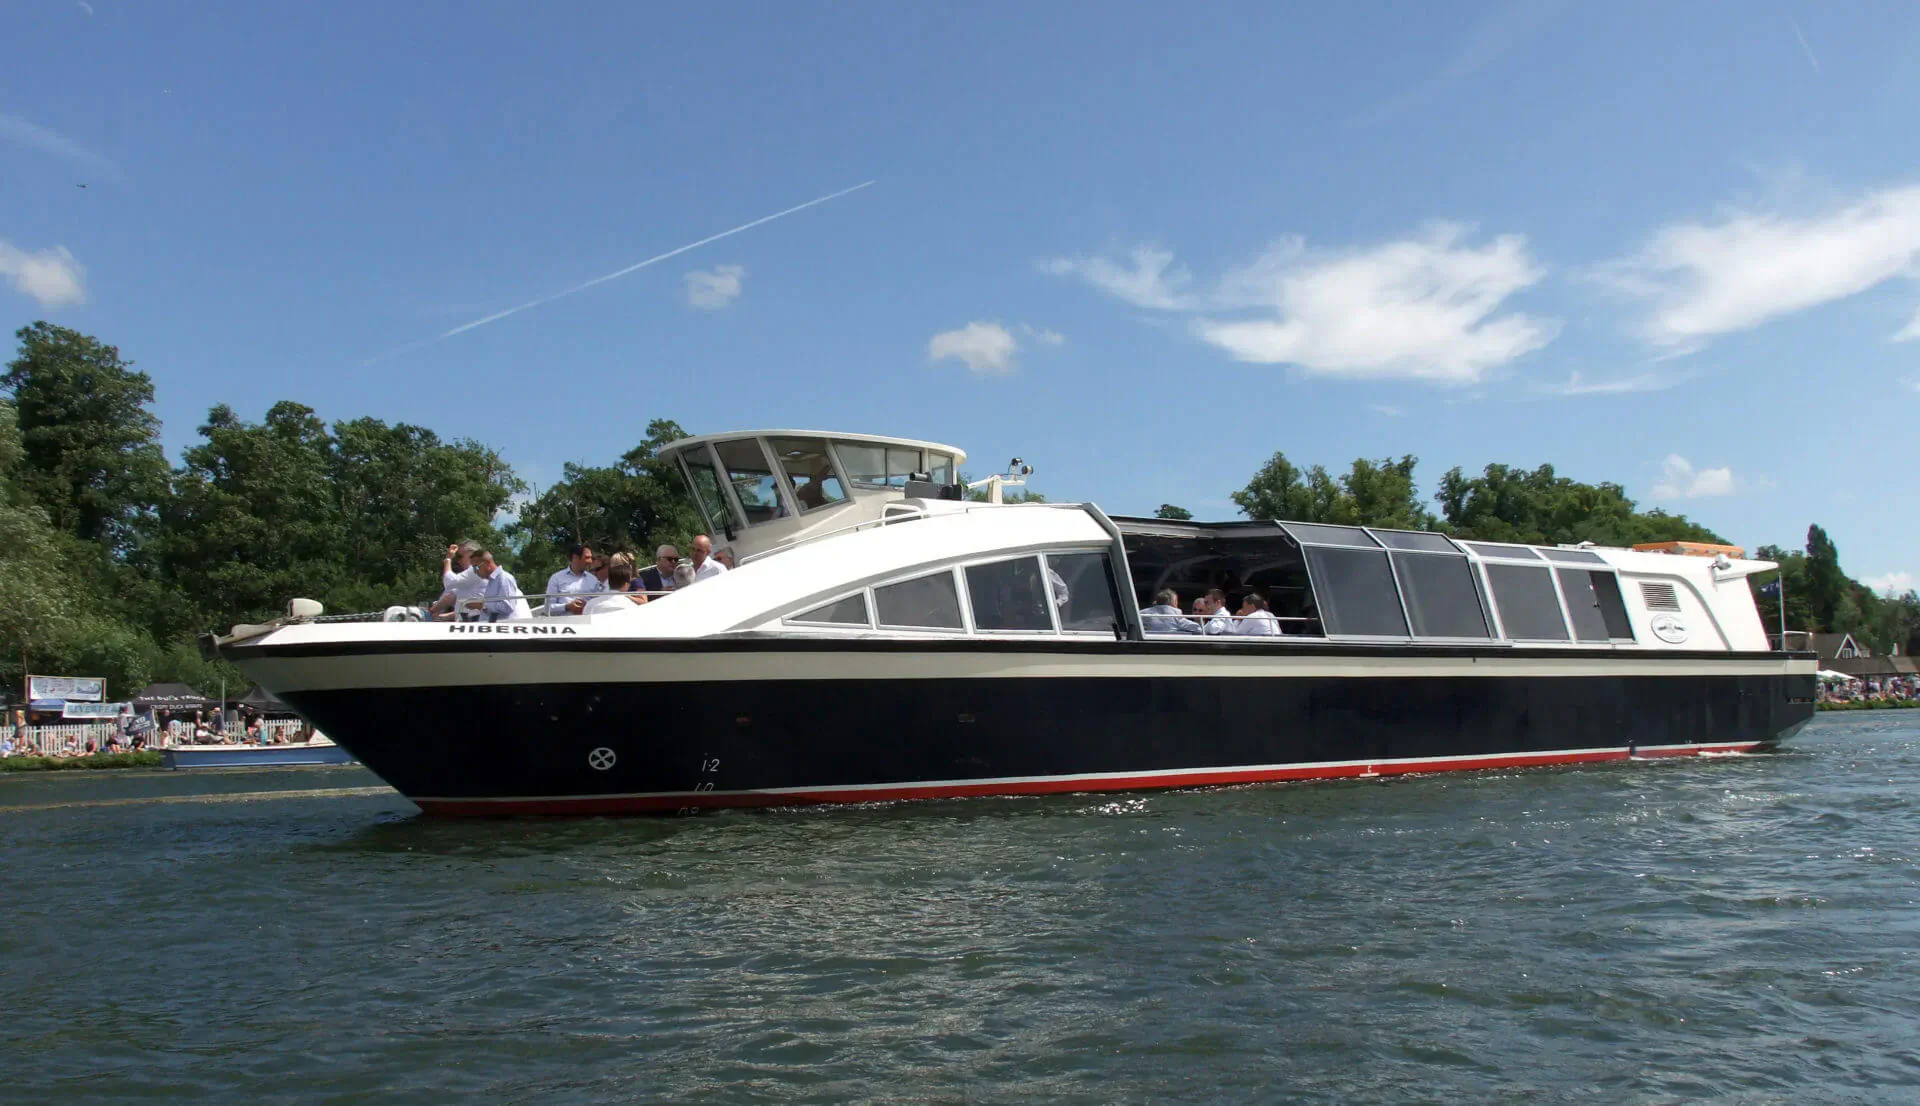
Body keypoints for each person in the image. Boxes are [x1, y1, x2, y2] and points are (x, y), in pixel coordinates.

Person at [466, 549, 531, 621]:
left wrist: (481, 605)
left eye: (476, 567)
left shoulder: (504, 578)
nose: (475, 572)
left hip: (509, 628)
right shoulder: (493, 581)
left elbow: (507, 606)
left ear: (487, 563)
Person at [432, 541, 488, 621]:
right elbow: (452, 595)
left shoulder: (476, 569)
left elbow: (449, 582)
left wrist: (448, 559)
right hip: (470, 619)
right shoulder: (471, 576)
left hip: (476, 621)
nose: (458, 561)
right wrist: (433, 611)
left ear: (471, 554)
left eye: (460, 556)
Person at [544, 543, 605, 615]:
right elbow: (547, 607)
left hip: (588, 622)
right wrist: (567, 607)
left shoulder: (593, 580)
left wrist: (587, 606)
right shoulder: (556, 578)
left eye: (591, 558)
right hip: (564, 623)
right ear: (575, 557)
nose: (590, 561)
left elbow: (599, 604)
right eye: (587, 557)